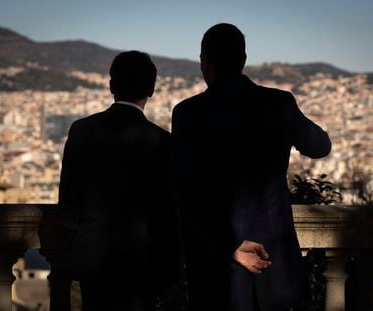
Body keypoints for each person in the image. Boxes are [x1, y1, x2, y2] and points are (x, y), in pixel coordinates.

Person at [172, 23, 331, 311]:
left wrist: (230, 247)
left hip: (217, 270)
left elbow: (187, 195)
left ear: (204, 62)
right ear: (243, 60)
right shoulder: (279, 103)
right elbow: (320, 146)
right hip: (274, 262)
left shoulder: (188, 113)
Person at [58, 51, 180, 311]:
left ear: (111, 85)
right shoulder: (163, 142)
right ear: (152, 89)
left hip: (92, 260)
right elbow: (169, 213)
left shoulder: (81, 130)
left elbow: (68, 201)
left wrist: (74, 246)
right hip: (145, 263)